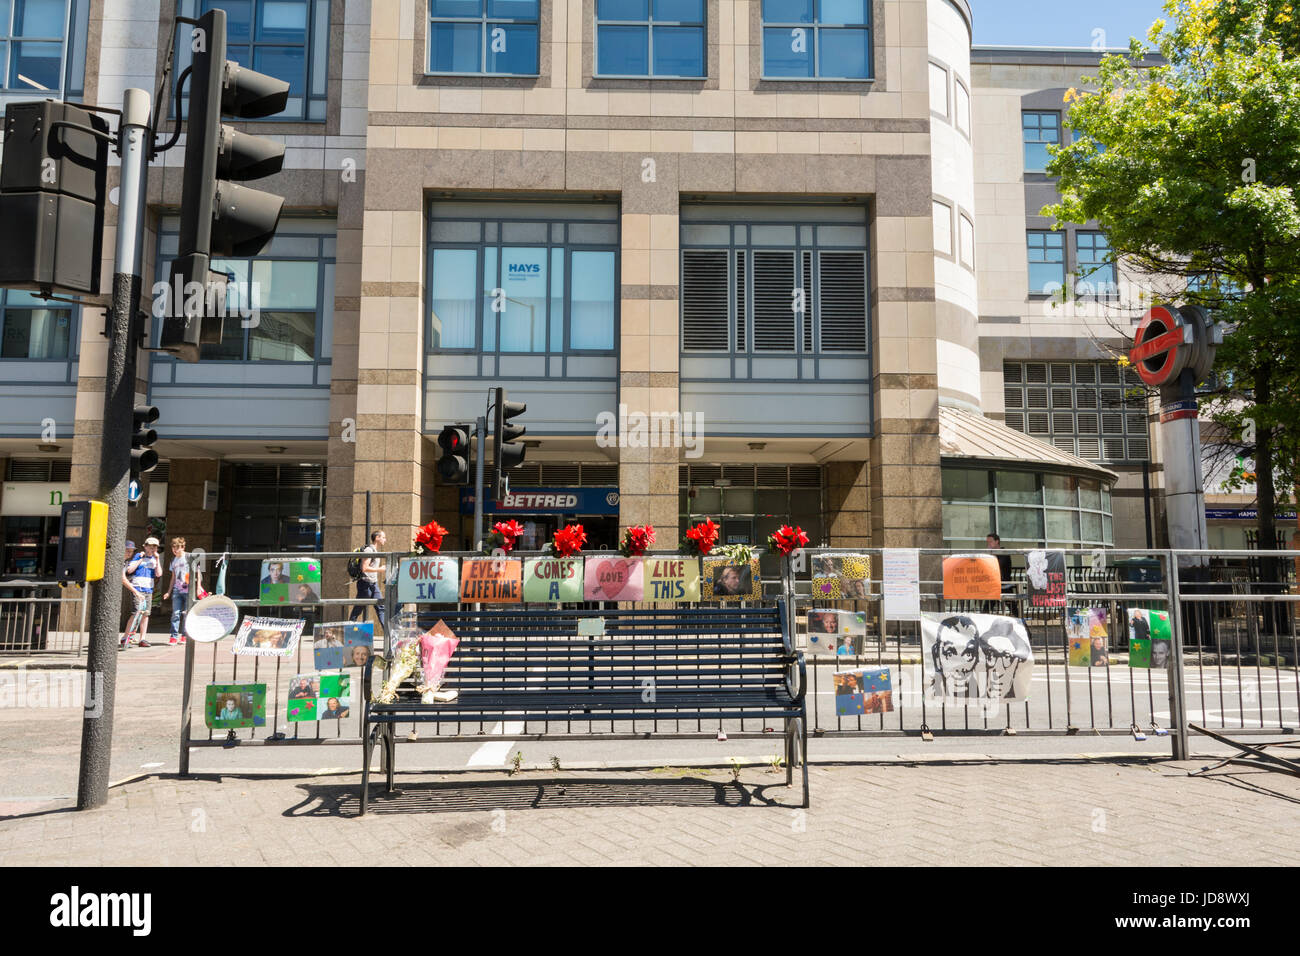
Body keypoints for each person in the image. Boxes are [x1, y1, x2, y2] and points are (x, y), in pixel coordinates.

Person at [121, 537, 163, 648]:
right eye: (150, 546)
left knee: (146, 614)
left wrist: (157, 560)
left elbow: (159, 574)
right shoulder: (137, 556)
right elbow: (129, 570)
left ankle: (142, 638)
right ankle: (126, 637)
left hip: (148, 588)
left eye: (155, 546)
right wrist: (140, 559)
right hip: (137, 587)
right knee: (136, 612)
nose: (152, 548)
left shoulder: (154, 559)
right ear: (145, 546)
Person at [350, 530, 387, 632]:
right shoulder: (369, 550)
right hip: (365, 584)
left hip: (373, 584)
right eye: (383, 537)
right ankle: (348, 631)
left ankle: (388, 636)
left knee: (381, 608)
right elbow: (364, 568)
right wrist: (380, 569)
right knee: (358, 610)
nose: (385, 540)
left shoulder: (375, 551)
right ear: (377, 538)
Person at [162, 536, 193, 646]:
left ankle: (184, 635)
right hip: (177, 589)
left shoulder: (189, 557)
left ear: (183, 547)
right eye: (173, 548)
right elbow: (173, 577)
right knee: (175, 613)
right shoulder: (173, 560)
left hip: (189, 589)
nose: (175, 550)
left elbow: (198, 573)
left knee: (186, 613)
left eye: (177, 547)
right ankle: (173, 636)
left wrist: (198, 587)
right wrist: (168, 591)